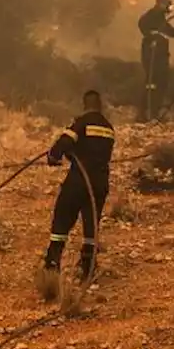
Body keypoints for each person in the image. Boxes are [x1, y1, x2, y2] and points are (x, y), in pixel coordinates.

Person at [42, 90, 115, 281]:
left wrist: (53, 156)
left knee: (62, 217)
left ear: (85, 105)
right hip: (99, 183)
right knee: (92, 223)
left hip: (79, 180)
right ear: (100, 106)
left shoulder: (81, 123)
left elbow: (65, 142)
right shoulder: (109, 128)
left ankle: (53, 261)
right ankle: (88, 263)